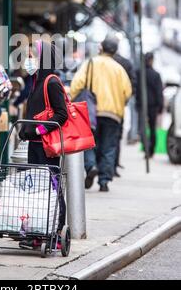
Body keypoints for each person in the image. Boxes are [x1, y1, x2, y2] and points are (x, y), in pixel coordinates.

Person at [19, 40, 68, 249]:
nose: (29, 60)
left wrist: (40, 129)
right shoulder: (36, 81)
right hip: (34, 144)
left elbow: (62, 114)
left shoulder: (51, 82)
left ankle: (56, 232)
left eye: (32, 56)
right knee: (37, 190)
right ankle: (37, 232)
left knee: (53, 188)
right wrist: (26, 131)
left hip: (46, 146)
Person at [70, 38, 132, 193]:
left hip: (91, 113)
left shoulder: (90, 64)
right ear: (115, 51)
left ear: (101, 47)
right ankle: (104, 181)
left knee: (88, 143)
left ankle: (91, 166)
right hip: (113, 114)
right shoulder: (119, 69)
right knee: (109, 147)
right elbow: (128, 92)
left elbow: (76, 85)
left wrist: (72, 100)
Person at [113, 46, 137, 176]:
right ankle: (111, 169)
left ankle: (94, 166)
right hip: (117, 108)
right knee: (115, 138)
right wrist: (124, 101)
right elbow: (130, 86)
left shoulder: (94, 63)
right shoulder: (124, 65)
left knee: (97, 139)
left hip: (96, 108)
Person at [136, 52, 163, 158]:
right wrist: (160, 106)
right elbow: (158, 92)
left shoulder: (139, 73)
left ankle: (146, 147)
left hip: (142, 104)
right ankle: (151, 149)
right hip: (152, 105)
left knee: (142, 128)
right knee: (152, 128)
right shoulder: (155, 75)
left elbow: (136, 89)